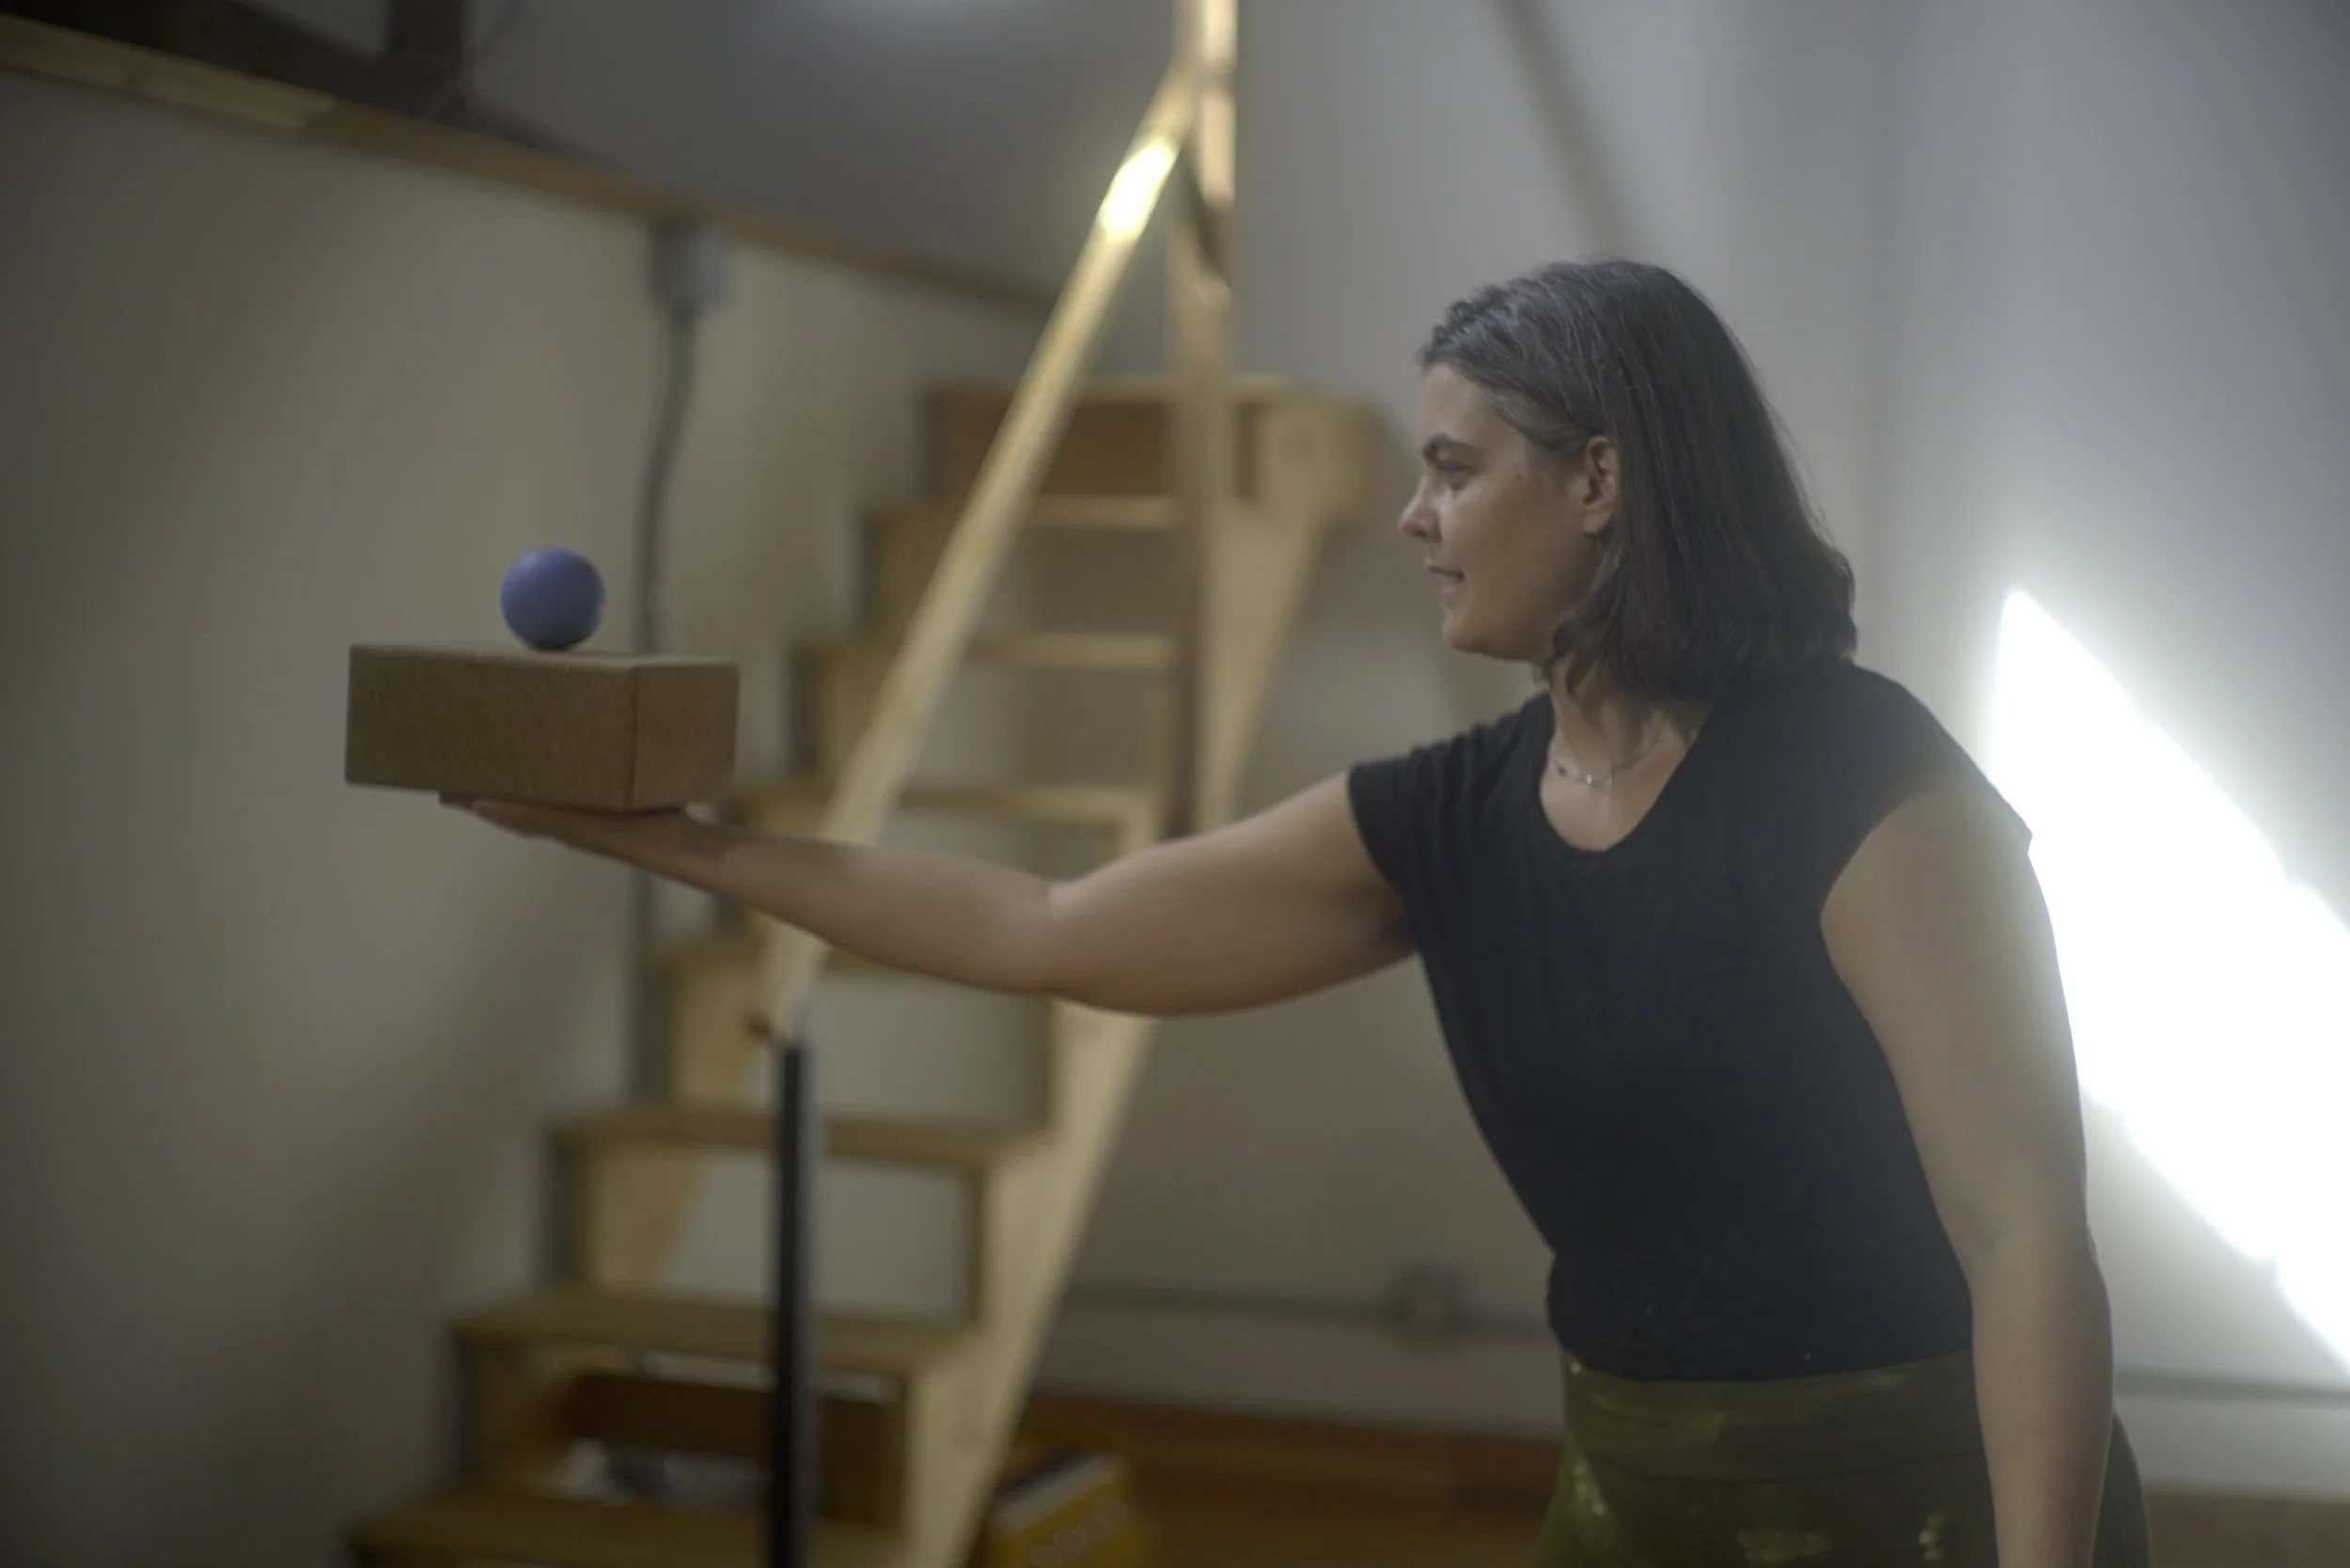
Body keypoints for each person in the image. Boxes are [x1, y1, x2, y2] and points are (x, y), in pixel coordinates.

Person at [445, 259, 2153, 1567]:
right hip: (1632, 1488)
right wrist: (671, 844)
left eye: (1453, 468)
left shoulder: (1863, 781)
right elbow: (1045, 924)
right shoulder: (1452, 820)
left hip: (1935, 1496)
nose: (1411, 517)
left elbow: (2024, 1233)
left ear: (1602, 482)